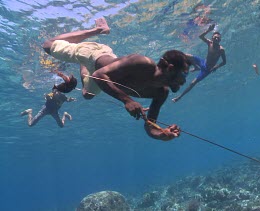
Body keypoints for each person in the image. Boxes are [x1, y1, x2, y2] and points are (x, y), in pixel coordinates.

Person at [42, 17, 191, 141]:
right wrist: (128, 100)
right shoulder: (142, 63)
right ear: (170, 69)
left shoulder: (161, 93)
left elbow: (150, 127)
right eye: (184, 74)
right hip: (93, 55)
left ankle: (83, 66)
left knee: (87, 95)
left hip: (103, 73)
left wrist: (162, 134)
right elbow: (98, 76)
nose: (185, 80)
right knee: (47, 45)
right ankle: (98, 30)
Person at [172, 23, 226, 102]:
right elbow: (201, 37)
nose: (216, 39)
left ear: (220, 40)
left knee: (193, 83)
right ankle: (196, 67)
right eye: (215, 38)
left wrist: (216, 67)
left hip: (207, 69)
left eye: (218, 38)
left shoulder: (221, 50)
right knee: (186, 55)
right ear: (212, 38)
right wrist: (208, 30)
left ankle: (179, 97)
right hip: (202, 62)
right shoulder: (209, 43)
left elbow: (224, 62)